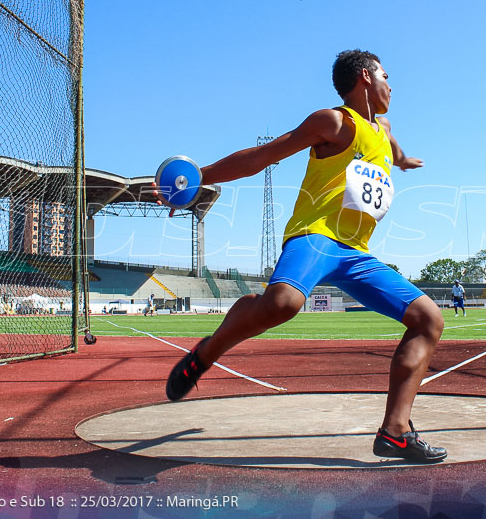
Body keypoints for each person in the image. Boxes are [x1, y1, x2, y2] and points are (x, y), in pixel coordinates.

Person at [162, 50, 446, 463]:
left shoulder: (382, 128)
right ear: (366, 77)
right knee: (283, 304)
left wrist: (401, 160)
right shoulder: (332, 121)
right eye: (386, 75)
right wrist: (198, 178)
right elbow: (262, 158)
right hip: (315, 237)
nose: (392, 84)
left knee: (429, 321)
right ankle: (207, 351)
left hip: (356, 254)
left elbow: (390, 145)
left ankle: (395, 432)